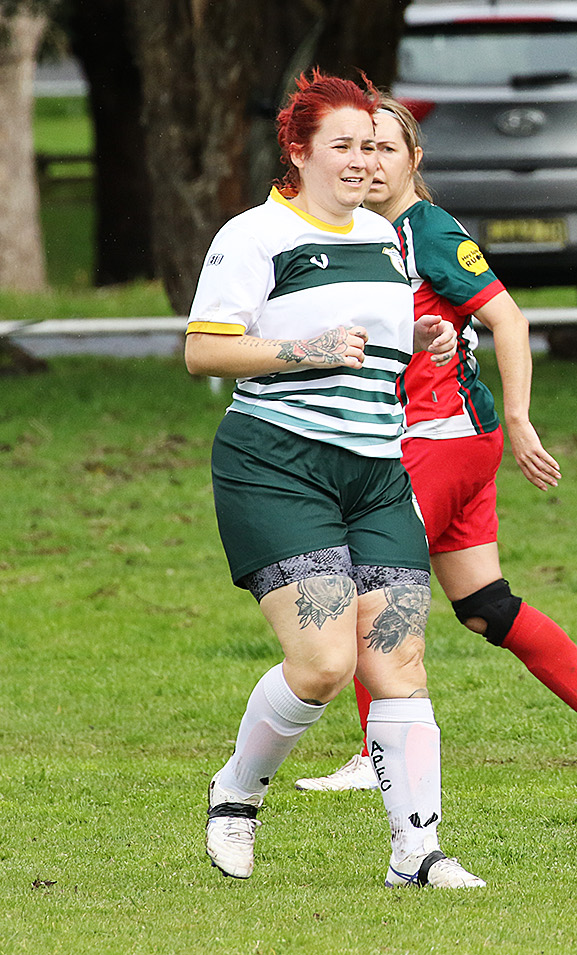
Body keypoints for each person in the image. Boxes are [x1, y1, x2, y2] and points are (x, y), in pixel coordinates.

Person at [292, 97, 577, 793]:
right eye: (359, 148)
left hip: (443, 437)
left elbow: (509, 320)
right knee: (485, 604)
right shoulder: (360, 234)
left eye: (386, 150)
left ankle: (378, 760)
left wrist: (521, 418)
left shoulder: (427, 232)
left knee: (370, 588)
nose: (369, 163)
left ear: (415, 161)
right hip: (433, 438)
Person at [186, 69, 483, 889]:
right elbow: (204, 349)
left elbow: (373, 344)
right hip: (278, 466)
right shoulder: (252, 235)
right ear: (298, 148)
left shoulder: (389, 239)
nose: (363, 162)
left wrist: (423, 335)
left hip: (377, 473)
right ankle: (236, 795)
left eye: (374, 147)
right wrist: (301, 352)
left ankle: (416, 852)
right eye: (345, 146)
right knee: (322, 665)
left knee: (399, 657)